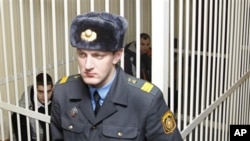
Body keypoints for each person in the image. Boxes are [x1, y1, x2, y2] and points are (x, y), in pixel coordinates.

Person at [50, 12, 183, 141]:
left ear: (117, 56)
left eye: (98, 56)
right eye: (82, 54)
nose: (88, 65)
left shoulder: (146, 101)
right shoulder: (63, 92)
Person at [11, 73, 53, 141]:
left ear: (52, 88)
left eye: (48, 91)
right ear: (34, 89)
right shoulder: (20, 112)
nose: (45, 96)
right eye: (41, 92)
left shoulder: (57, 98)